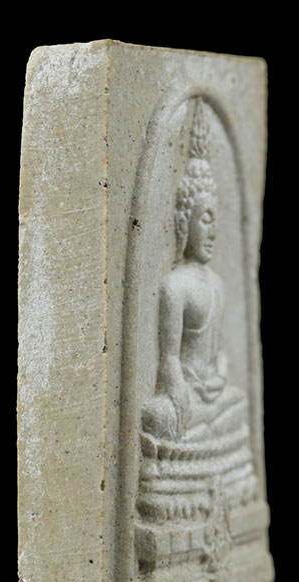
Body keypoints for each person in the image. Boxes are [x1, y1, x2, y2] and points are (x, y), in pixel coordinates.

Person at [142, 99, 244, 443]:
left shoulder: (217, 283)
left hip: (210, 395)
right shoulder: (175, 285)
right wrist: (178, 392)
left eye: (215, 221)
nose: (212, 231)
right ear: (185, 223)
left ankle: (198, 440)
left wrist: (220, 376)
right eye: (204, 219)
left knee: (237, 401)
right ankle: (202, 438)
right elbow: (169, 358)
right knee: (157, 417)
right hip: (185, 394)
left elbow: (219, 352)